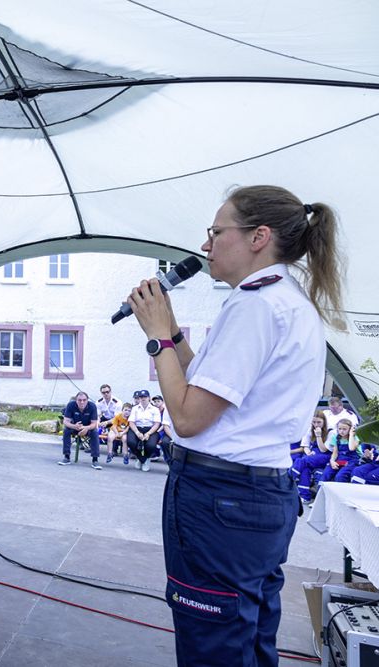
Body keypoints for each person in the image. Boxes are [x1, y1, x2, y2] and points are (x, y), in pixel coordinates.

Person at [126, 184, 344, 665]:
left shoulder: (255, 306)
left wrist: (158, 338)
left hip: (221, 500)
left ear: (258, 237)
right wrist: (176, 334)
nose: (206, 245)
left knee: (214, 647)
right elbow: (212, 388)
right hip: (258, 497)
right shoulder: (284, 300)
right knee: (247, 640)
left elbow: (187, 416)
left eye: (216, 231)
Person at [290, 411, 331, 502]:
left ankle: (288, 478)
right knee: (305, 470)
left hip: (325, 456)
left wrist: (318, 436)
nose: (316, 424)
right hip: (312, 455)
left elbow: (323, 449)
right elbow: (305, 446)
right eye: (314, 422)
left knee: (301, 461)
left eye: (319, 422)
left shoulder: (330, 432)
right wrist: (308, 452)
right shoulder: (309, 429)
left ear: (324, 422)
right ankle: (305, 496)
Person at [58, 391, 102, 470]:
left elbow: (94, 424)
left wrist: (86, 428)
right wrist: (74, 426)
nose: (82, 402)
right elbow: (65, 421)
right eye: (79, 400)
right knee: (66, 430)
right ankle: (66, 457)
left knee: (95, 432)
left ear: (87, 400)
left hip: (87, 428)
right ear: (76, 400)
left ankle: (95, 460)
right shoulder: (71, 405)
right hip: (75, 427)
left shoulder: (92, 406)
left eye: (84, 400)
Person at [126, 390, 161, 472]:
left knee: (151, 445)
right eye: (141, 397)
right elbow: (131, 422)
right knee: (131, 442)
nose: (143, 399)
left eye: (145, 397)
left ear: (149, 398)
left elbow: (157, 424)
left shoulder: (155, 409)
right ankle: (142, 459)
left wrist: (148, 433)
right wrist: (137, 432)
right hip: (136, 428)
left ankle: (146, 459)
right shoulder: (135, 408)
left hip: (150, 429)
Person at [321, 419, 359, 483]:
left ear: (350, 429)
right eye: (339, 429)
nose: (341, 431)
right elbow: (335, 452)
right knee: (326, 474)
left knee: (340, 476)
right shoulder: (335, 438)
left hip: (351, 461)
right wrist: (332, 461)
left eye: (344, 429)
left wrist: (351, 435)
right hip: (340, 460)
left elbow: (351, 448)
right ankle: (321, 491)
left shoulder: (355, 437)